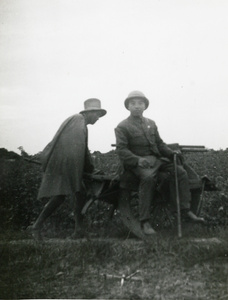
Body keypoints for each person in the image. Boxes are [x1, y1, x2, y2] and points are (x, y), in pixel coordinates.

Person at [115, 91, 205, 235]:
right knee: (148, 178)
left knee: (180, 172)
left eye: (140, 103)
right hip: (138, 163)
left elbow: (159, 143)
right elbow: (121, 150)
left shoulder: (151, 123)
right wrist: (137, 160)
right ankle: (145, 221)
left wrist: (171, 153)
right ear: (128, 107)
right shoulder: (122, 126)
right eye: (133, 104)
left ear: (145, 106)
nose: (137, 106)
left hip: (156, 160)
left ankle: (184, 210)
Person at [27, 98, 107, 240]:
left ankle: (78, 230)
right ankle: (36, 226)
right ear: (90, 112)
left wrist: (90, 169)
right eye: (97, 114)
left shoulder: (81, 123)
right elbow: (76, 149)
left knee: (80, 193)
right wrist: (89, 169)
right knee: (60, 196)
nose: (98, 118)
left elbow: (82, 149)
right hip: (63, 165)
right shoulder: (77, 121)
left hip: (66, 164)